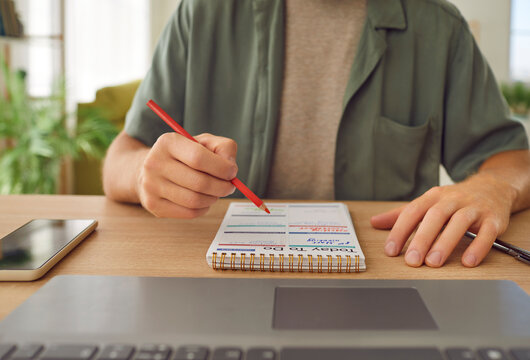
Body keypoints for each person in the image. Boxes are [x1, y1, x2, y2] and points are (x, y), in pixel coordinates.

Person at [103, 0, 530, 269]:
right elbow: (122, 156)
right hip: (206, 273)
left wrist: (494, 187)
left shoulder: (439, 26)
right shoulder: (201, 12)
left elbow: (511, 160)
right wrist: (145, 173)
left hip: (391, 273)